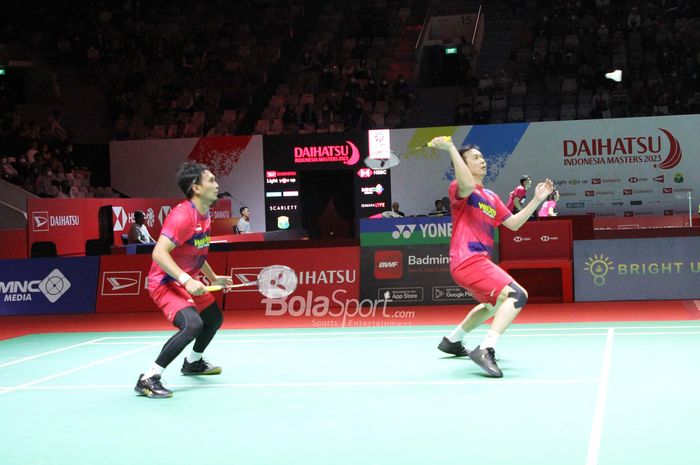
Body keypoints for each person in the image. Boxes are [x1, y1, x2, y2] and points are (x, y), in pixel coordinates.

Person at [428, 136, 553, 377]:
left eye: (482, 157)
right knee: (517, 295)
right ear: (463, 166)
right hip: (468, 259)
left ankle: (452, 341)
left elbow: (514, 224)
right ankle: (486, 348)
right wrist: (451, 148)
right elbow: (464, 183)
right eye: (475, 158)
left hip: (476, 262)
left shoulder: (491, 197)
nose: (482, 160)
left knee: (491, 305)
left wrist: (537, 200)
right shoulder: (458, 188)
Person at [134, 162, 232, 398]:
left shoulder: (205, 213)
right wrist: (187, 280)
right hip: (165, 283)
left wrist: (212, 277)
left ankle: (193, 362)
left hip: (184, 280)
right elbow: (158, 253)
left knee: (213, 318)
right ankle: (148, 377)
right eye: (210, 180)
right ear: (196, 188)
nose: (216, 184)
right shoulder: (182, 216)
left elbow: (197, 250)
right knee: (193, 324)